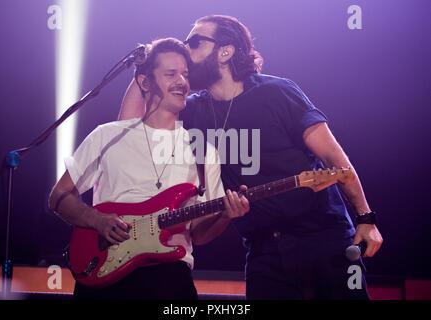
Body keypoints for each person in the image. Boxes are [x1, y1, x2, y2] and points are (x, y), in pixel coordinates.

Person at [118, 16, 383, 299]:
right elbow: (129, 131)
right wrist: (147, 66)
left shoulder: (277, 92)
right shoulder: (193, 110)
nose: (185, 49)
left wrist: (366, 218)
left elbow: (333, 157)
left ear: (225, 51)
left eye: (194, 42)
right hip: (263, 252)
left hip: (323, 239)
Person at [49, 37, 249, 300]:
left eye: (185, 75)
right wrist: (96, 220)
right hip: (105, 272)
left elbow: (198, 234)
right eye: (170, 74)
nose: (182, 82)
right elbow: (59, 197)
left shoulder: (202, 151)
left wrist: (225, 216)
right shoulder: (107, 136)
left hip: (168, 280)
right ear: (145, 82)